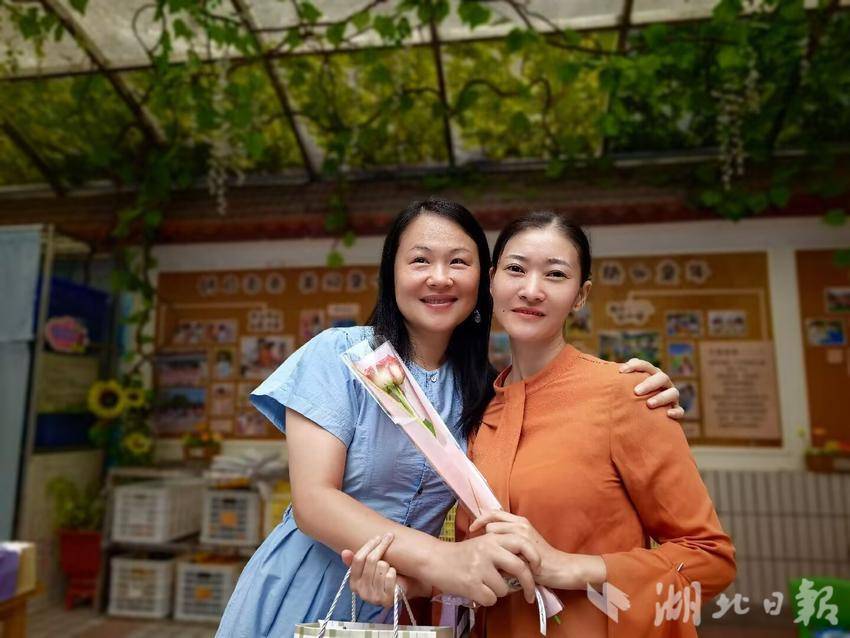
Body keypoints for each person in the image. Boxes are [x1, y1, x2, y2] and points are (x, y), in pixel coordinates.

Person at [216, 200, 683, 637]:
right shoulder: (342, 356)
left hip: (402, 602)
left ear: (483, 280)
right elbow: (314, 501)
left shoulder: (484, 391)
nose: (439, 278)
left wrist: (636, 393)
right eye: (420, 260)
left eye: (458, 262)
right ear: (392, 273)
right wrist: (443, 561)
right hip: (306, 583)